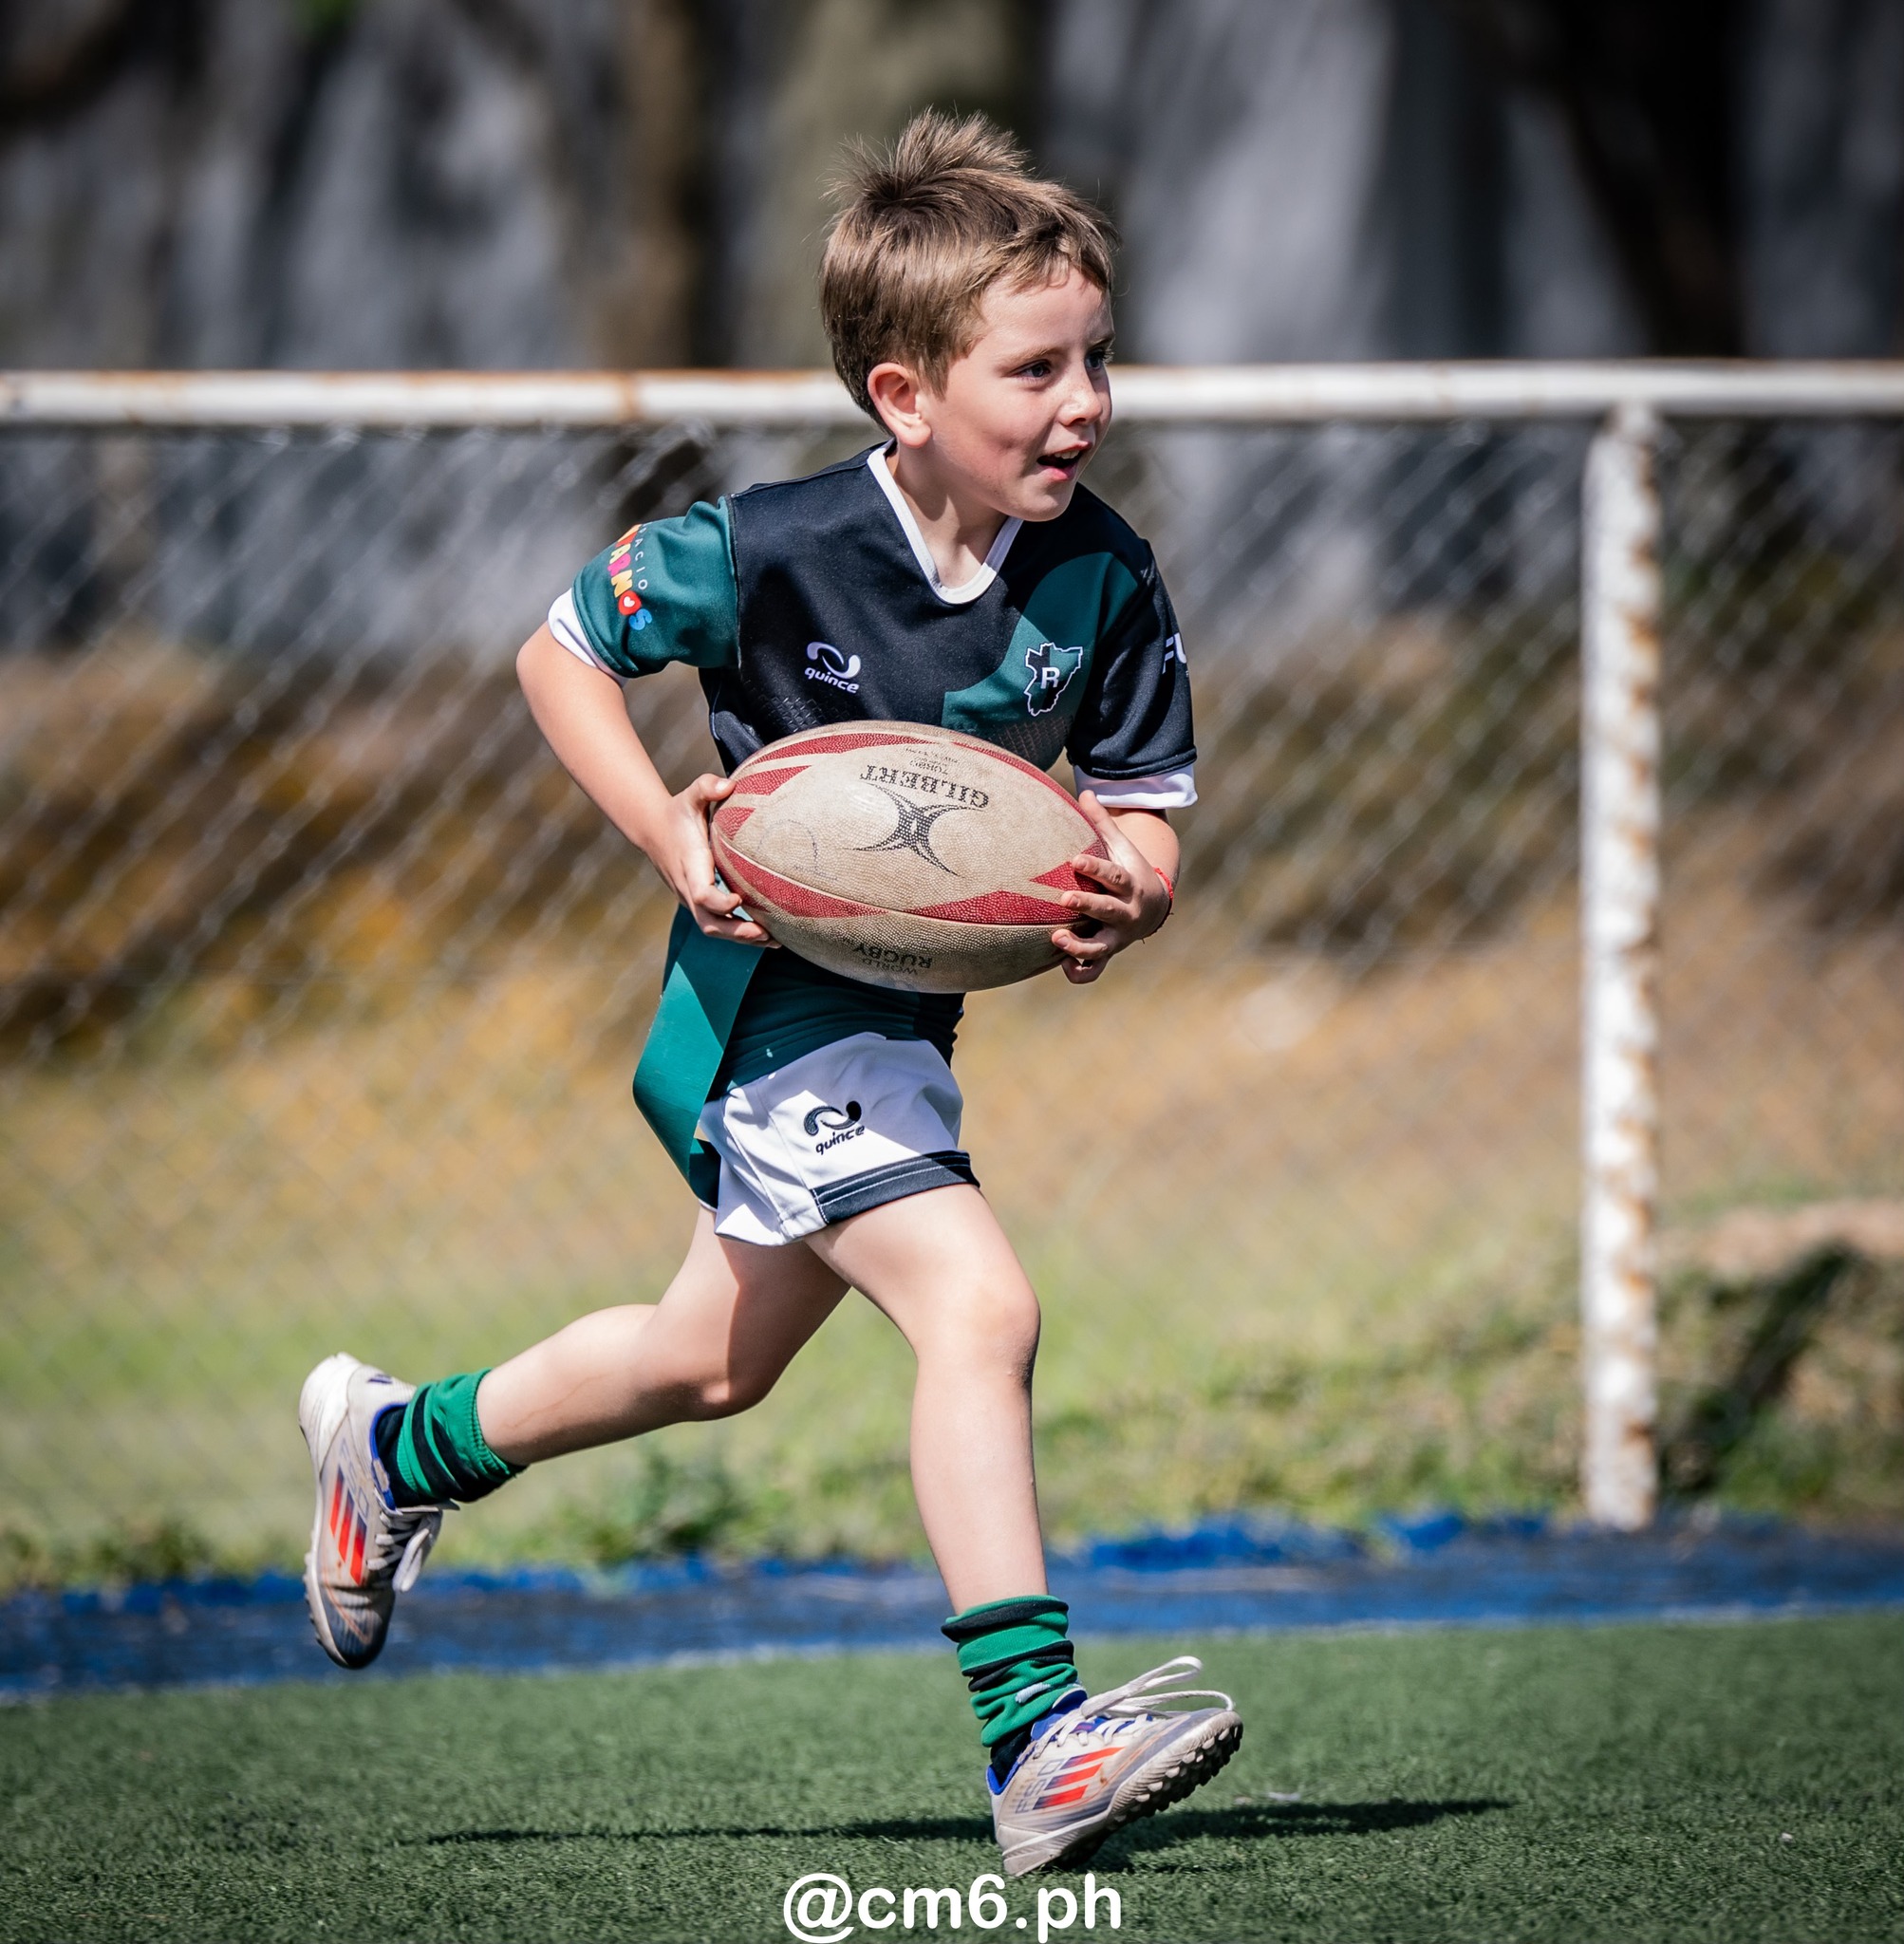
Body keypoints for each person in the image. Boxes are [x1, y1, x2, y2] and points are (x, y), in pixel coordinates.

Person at [297, 109, 1240, 1879]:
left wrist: (1128, 896)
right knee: (979, 1309)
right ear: (903, 395)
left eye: (1097, 357)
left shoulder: (1105, 575)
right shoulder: (769, 544)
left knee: (703, 1364)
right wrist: (668, 825)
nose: (1087, 401)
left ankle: (393, 1450)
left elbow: (1143, 823)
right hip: (754, 1024)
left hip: (898, 1032)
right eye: (1036, 369)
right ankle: (1038, 1745)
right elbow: (557, 649)